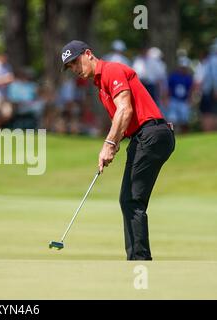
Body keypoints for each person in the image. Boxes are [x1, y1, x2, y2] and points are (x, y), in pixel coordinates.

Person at [61, 40, 175, 260]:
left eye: (75, 62)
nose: (75, 69)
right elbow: (122, 123)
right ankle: (138, 259)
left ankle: (139, 262)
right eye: (70, 66)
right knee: (130, 199)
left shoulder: (111, 70)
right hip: (145, 136)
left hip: (152, 133)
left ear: (88, 54)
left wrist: (109, 144)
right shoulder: (101, 89)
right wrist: (112, 147)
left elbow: (125, 109)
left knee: (131, 200)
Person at [165, 57, 193, 132]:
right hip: (174, 100)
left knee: (184, 120)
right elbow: (169, 88)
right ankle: (173, 135)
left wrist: (190, 99)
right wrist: (166, 99)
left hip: (184, 100)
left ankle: (184, 135)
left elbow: (190, 89)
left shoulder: (188, 77)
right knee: (172, 120)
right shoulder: (173, 76)